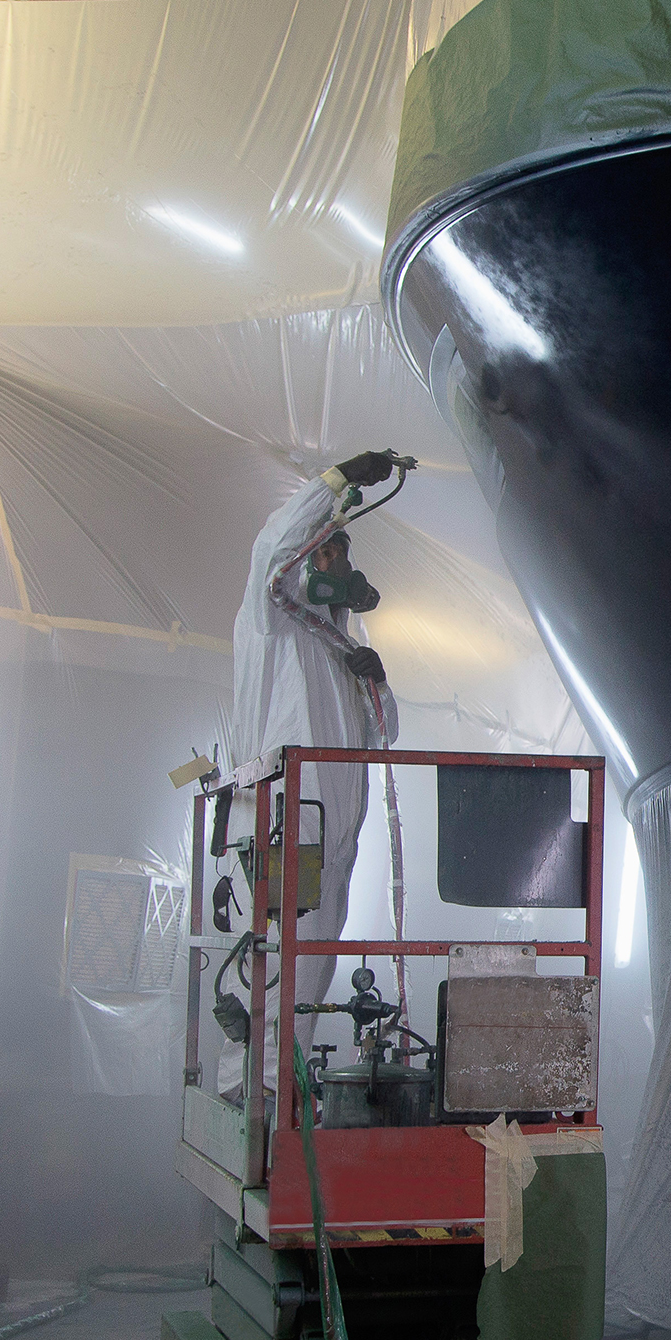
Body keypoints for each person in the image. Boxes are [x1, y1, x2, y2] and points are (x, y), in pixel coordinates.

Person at [225, 451, 404, 1057]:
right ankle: (257, 1086)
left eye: (341, 553)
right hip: (286, 821)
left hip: (336, 832)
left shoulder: (338, 647)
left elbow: (385, 735)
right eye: (323, 550)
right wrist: (338, 481)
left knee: (314, 964)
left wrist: (374, 680)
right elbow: (272, 550)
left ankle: (290, 1082)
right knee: (276, 959)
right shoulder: (267, 622)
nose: (333, 563)